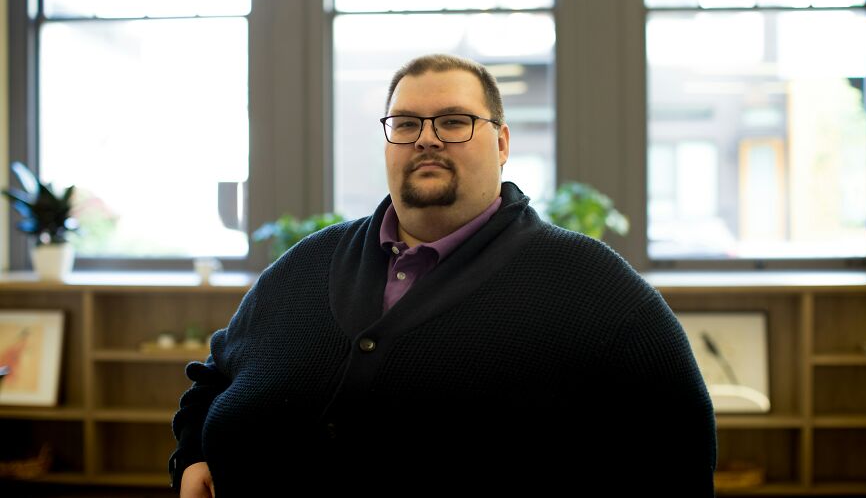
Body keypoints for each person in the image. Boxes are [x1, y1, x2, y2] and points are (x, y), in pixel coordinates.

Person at [170, 54, 717, 496]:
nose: (426, 138)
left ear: (501, 144)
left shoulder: (593, 288)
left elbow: (678, 459)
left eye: (454, 122)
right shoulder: (308, 264)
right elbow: (216, 376)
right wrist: (193, 455)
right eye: (405, 124)